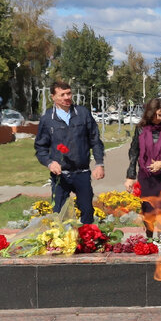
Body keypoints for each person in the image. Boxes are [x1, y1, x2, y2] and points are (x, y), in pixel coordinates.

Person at [35, 80, 106, 225]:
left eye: (69, 93)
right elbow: (40, 148)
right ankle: (62, 243)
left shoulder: (82, 114)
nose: (67, 97)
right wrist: (49, 163)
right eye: (62, 95)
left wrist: (99, 164)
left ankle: (86, 243)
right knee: (59, 214)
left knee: (87, 211)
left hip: (82, 173)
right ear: (53, 97)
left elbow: (95, 140)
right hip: (60, 177)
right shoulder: (48, 119)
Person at [123, 97, 161, 237]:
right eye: (154, 115)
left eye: (160, 114)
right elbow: (133, 152)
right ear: (149, 113)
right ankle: (150, 238)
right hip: (146, 176)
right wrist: (130, 176)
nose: (158, 118)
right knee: (148, 209)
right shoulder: (141, 129)